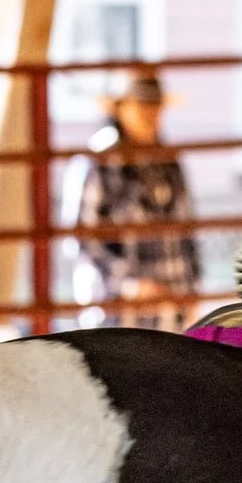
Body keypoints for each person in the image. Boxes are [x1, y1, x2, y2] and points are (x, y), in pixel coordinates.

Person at [72, 68, 201, 329]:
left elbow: (186, 229)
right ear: (121, 109)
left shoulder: (169, 160)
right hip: (119, 309)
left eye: (156, 106)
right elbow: (84, 238)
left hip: (168, 307)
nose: (151, 114)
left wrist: (192, 287)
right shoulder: (100, 162)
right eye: (143, 105)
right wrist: (130, 284)